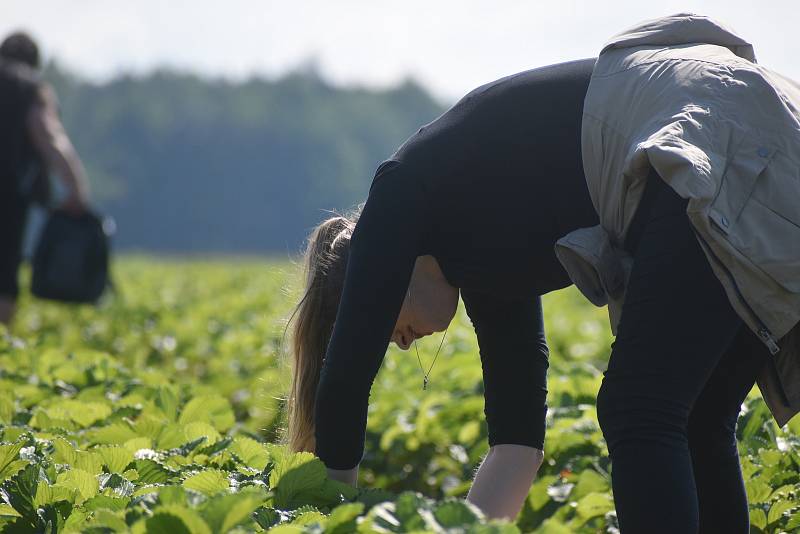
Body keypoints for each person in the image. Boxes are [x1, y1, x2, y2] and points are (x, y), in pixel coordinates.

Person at [287, 13, 799, 531]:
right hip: (765, 120)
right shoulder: (482, 246)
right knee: (696, 416)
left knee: (639, 409)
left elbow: (344, 380)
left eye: (378, 319)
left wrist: (331, 520)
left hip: (712, 130)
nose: (398, 343)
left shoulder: (402, 192)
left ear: (371, 280)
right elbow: (518, 444)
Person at [0, 31, 90, 325]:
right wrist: (75, 190)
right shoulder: (29, 87)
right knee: (3, 281)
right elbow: (49, 136)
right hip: (7, 198)